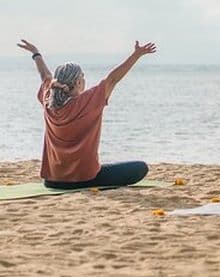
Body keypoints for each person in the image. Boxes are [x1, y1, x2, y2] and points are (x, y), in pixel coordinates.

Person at [17, 39, 155, 189]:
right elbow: (113, 78)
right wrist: (136, 55)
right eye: (83, 77)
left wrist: (36, 54)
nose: (85, 80)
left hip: (52, 180)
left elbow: (44, 75)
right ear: (77, 83)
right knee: (140, 168)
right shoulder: (88, 101)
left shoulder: (48, 101)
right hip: (84, 179)